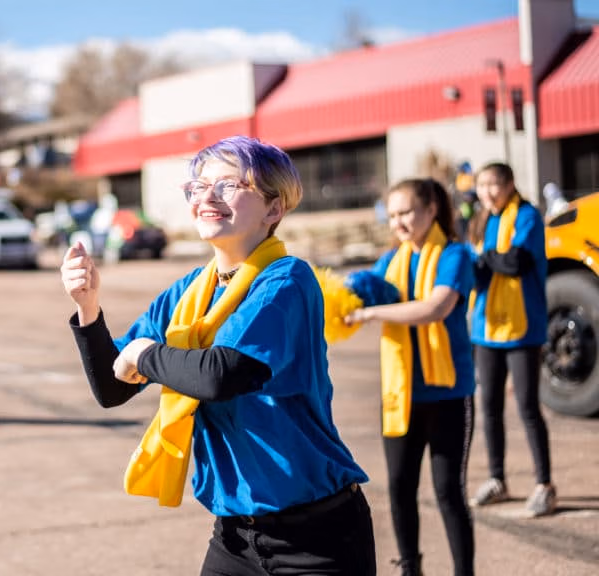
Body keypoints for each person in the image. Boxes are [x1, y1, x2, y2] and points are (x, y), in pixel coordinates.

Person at [61, 136, 375, 575]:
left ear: (273, 209)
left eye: (228, 185)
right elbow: (113, 387)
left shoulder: (286, 280)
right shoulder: (190, 291)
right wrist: (88, 308)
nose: (207, 197)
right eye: (197, 186)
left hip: (317, 536)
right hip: (234, 538)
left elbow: (223, 375)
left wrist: (142, 352)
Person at [344, 178, 476, 576]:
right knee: (401, 489)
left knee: (448, 491)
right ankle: (409, 568)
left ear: (431, 209)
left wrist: (370, 314)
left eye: (406, 212)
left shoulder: (456, 255)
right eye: (393, 214)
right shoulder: (392, 261)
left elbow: (434, 308)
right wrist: (342, 293)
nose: (398, 222)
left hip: (449, 393)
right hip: (400, 394)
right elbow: (368, 288)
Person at [467, 162, 556, 517]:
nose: (488, 192)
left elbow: (516, 262)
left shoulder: (528, 216)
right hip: (486, 328)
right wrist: (490, 260)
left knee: (528, 407)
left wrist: (487, 259)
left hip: (523, 326)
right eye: (482, 186)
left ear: (509, 184)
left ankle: (545, 484)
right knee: (488, 407)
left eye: (494, 185)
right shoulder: (481, 220)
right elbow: (476, 269)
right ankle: (497, 478)